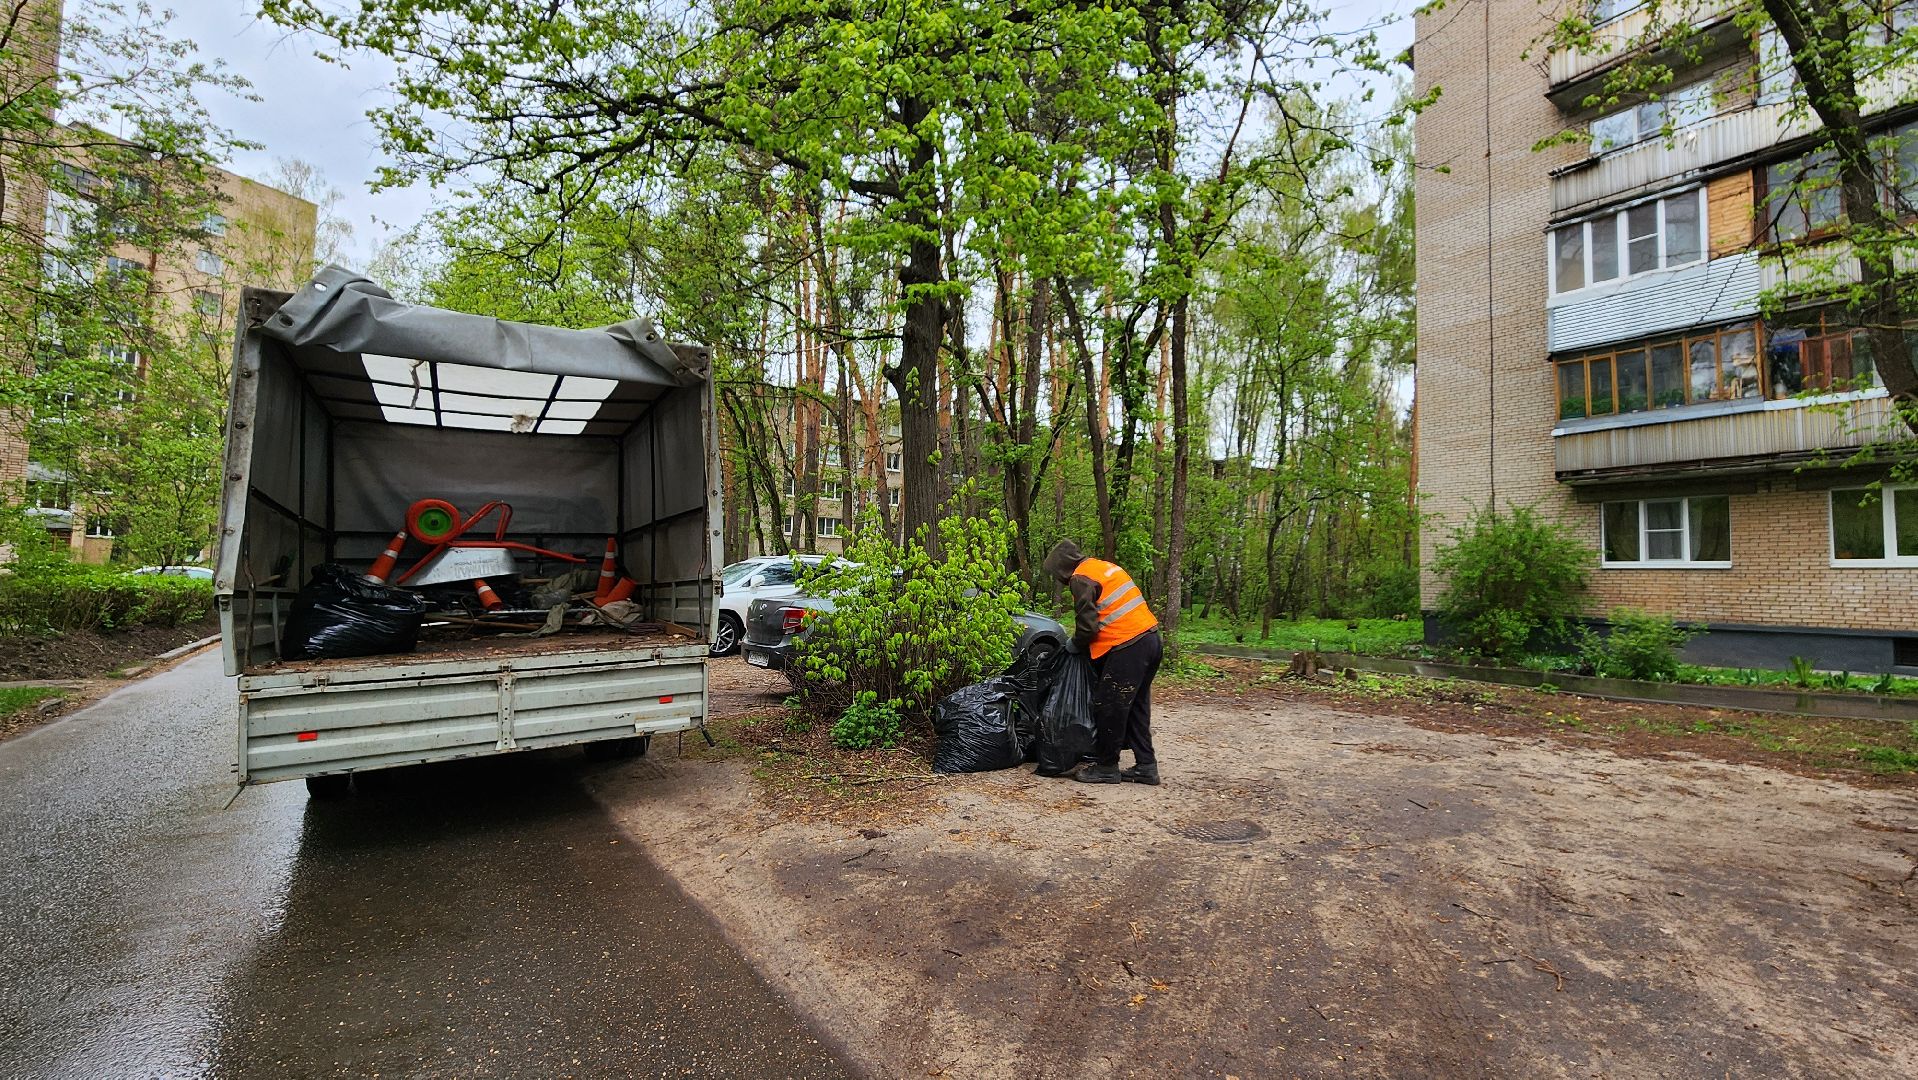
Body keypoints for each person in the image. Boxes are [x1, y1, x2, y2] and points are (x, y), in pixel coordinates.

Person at [1041, 539, 1164, 786]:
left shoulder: (1080, 578)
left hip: (1128, 646)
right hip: (1150, 640)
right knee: (1136, 706)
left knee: (1109, 707)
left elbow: (1088, 627)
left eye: (1057, 574)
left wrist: (1075, 644)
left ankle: (1107, 767)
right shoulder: (1102, 567)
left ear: (1062, 567)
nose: (1060, 580)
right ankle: (1146, 767)